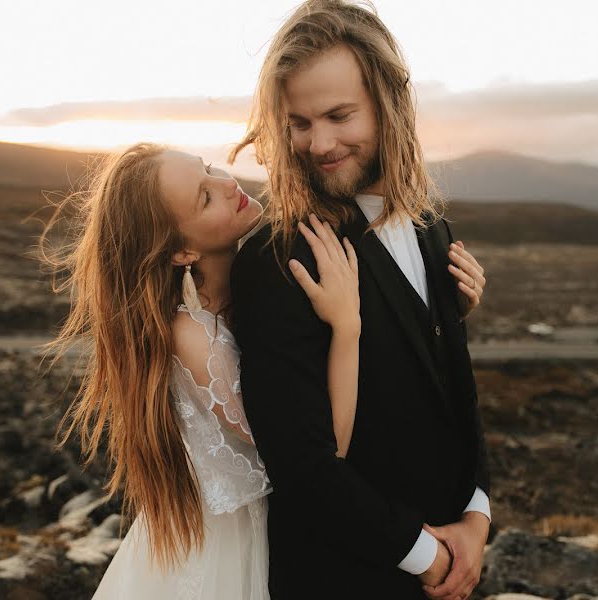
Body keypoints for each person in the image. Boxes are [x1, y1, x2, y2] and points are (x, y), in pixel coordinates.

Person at [228, 1, 492, 598]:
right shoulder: (278, 256)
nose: (318, 143)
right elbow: (300, 462)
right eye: (299, 122)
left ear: (389, 100)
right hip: (343, 578)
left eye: (339, 115)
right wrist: (426, 555)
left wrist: (476, 516)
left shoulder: (432, 227)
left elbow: (455, 393)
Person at [36, 142, 367, 599]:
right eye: (205, 197)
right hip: (222, 558)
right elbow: (323, 448)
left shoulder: (248, 296)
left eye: (209, 168)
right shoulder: (193, 336)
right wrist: (347, 327)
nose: (227, 183)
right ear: (181, 252)